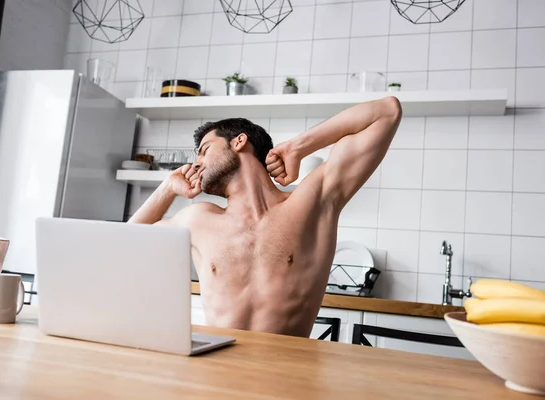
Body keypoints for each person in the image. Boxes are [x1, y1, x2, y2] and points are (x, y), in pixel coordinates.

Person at [129, 97, 402, 338]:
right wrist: (167, 188)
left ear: (239, 141)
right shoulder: (198, 219)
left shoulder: (311, 203)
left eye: (204, 150)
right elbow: (126, 244)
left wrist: (298, 146)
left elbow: (386, 112)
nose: (196, 163)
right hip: (216, 372)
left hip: (286, 376)